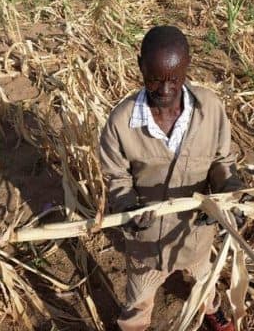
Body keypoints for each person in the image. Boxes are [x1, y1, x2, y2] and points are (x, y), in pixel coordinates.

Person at [99, 25, 243, 331]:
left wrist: (229, 196)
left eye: (174, 80)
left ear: (188, 66)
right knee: (138, 299)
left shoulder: (211, 110)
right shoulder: (121, 123)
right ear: (140, 65)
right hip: (146, 245)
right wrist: (128, 208)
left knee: (204, 281)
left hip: (195, 236)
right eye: (154, 79)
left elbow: (221, 162)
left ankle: (212, 311)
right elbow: (117, 177)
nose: (164, 90)